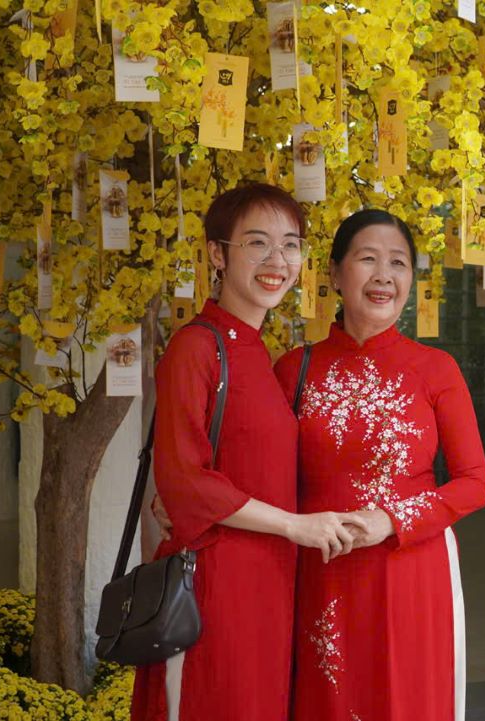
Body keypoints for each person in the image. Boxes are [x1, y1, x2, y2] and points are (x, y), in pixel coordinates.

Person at [132, 184, 369, 721]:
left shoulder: (261, 353)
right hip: (215, 583)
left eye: (290, 246)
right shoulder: (196, 346)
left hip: (270, 582)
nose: (276, 262)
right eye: (257, 243)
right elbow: (186, 481)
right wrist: (294, 526)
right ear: (218, 254)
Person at [275, 209, 485, 721]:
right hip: (321, 575)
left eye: (398, 263)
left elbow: (474, 484)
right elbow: (265, 477)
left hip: (410, 572)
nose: (384, 276)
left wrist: (390, 520)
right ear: (334, 272)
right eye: (367, 259)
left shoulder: (437, 370)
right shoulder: (292, 370)